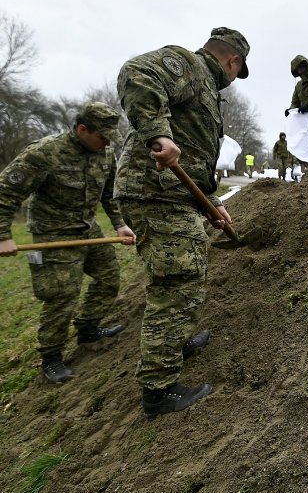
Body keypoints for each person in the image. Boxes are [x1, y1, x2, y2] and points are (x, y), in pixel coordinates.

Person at [115, 26, 250, 419]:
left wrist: (209, 202)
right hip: (154, 193)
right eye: (235, 74)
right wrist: (156, 132)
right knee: (177, 281)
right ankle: (159, 391)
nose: (232, 82)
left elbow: (189, 155)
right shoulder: (189, 65)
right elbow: (135, 72)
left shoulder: (203, 85)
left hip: (173, 194)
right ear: (233, 61)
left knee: (186, 274)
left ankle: (176, 343)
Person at [0, 102, 136, 383]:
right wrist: (3, 236)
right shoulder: (44, 153)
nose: (108, 143)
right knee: (62, 295)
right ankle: (51, 357)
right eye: (103, 136)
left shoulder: (106, 151)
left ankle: (87, 329)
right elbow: (5, 193)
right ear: (82, 129)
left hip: (88, 227)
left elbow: (109, 194)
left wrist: (120, 224)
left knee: (109, 278)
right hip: (54, 233)